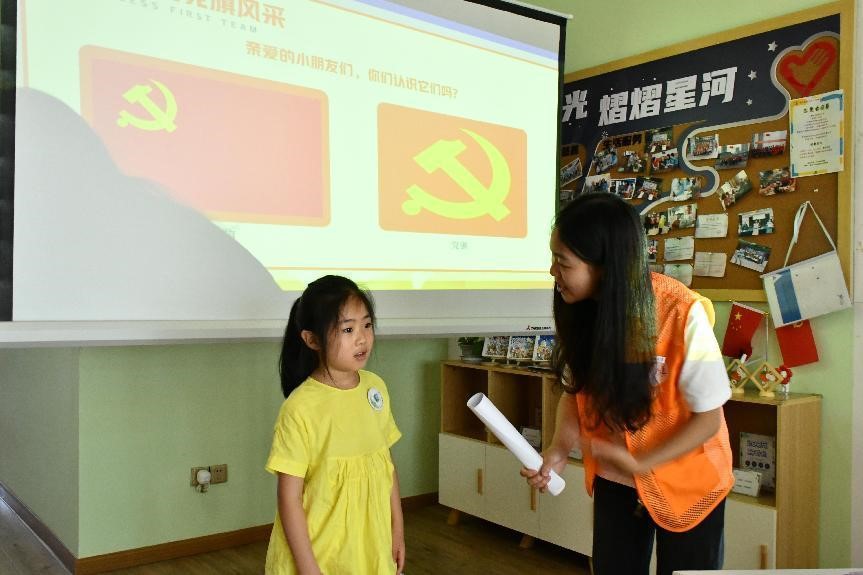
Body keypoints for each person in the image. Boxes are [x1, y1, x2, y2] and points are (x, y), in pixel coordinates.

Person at [522, 193, 733, 575]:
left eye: (562, 262)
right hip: (617, 476)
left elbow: (709, 419)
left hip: (688, 479)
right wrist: (558, 449)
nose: (553, 271)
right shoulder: (580, 312)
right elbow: (576, 395)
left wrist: (642, 461)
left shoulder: (681, 312)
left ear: (605, 266)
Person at [264, 275, 405, 575]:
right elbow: (289, 499)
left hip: (368, 549)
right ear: (312, 340)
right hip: (319, 557)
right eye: (348, 329)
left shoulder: (375, 388)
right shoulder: (300, 408)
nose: (362, 338)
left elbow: (385, 465)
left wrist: (397, 529)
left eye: (367, 325)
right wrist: (308, 569)